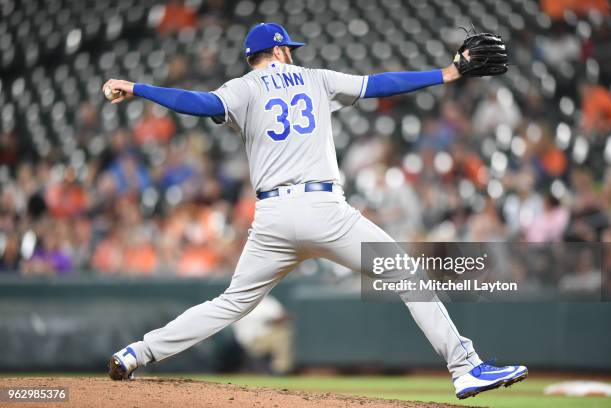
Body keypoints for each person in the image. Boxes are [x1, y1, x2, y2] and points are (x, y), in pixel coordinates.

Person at [104, 23, 526, 399]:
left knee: (230, 302)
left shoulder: (243, 88)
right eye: (291, 49)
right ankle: (464, 366)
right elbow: (380, 84)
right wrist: (447, 73)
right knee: (405, 273)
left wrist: (139, 87)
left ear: (253, 58)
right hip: (323, 210)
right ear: (282, 51)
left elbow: (197, 103)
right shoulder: (316, 78)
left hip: (272, 218)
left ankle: (136, 352)